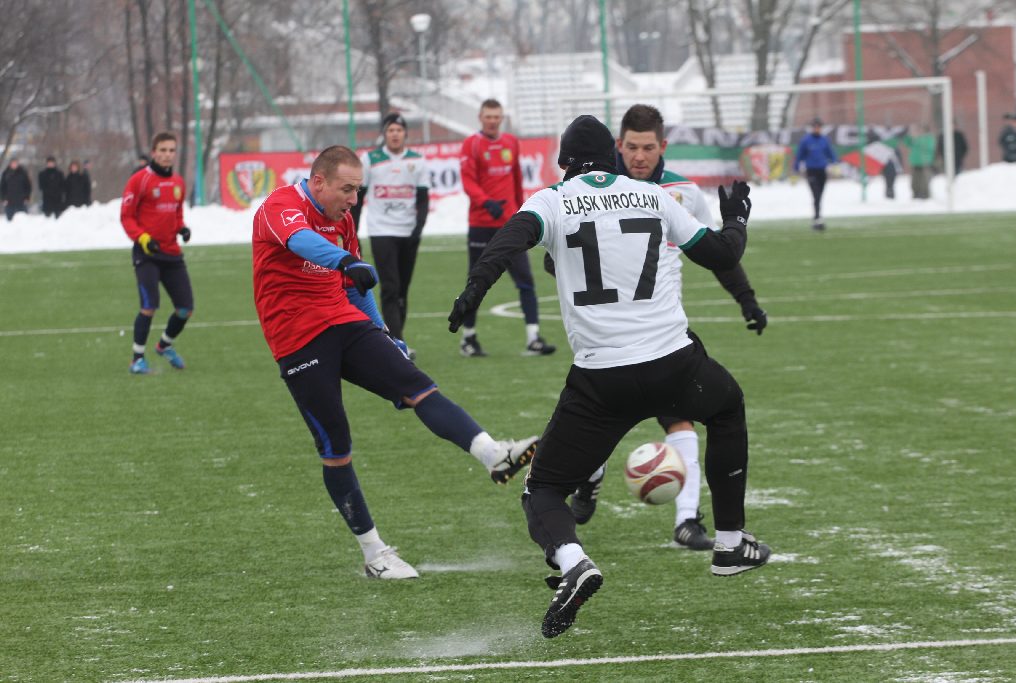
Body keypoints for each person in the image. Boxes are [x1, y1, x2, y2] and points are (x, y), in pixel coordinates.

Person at [447, 115, 771, 638]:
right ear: (616, 154)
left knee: (543, 491)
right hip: (674, 362)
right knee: (726, 408)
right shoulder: (653, 196)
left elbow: (508, 242)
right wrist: (736, 219)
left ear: (563, 162)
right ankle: (730, 542)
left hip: (602, 380)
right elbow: (722, 253)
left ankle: (574, 561)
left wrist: (473, 290)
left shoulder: (553, 199)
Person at [252, 144, 539, 580]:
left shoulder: (343, 220)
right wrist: (346, 259)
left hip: (346, 324)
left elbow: (357, 285)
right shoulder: (281, 206)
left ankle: (493, 454)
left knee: (418, 385)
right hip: (298, 339)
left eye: (357, 190)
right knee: (336, 448)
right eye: (346, 189)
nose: (352, 200)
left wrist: (387, 335)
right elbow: (301, 242)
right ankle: (374, 553)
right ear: (318, 182)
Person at [567, 104, 768, 552]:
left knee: (684, 419)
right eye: (632, 147)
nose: (640, 157)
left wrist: (747, 300)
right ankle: (590, 477)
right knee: (601, 424)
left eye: (649, 148)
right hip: (606, 336)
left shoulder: (682, 193)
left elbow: (713, 251)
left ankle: (687, 519)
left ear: (663, 148)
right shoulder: (585, 189)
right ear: (618, 146)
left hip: (662, 333)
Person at [457, 98, 555, 357]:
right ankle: (468, 339)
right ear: (480, 117)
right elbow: (468, 182)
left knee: (525, 281)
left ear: (502, 118)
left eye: (496, 116)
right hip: (480, 225)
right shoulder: (472, 144)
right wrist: (486, 202)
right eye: (488, 116)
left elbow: (516, 181)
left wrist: (521, 211)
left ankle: (533, 338)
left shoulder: (511, 143)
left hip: (509, 227)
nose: (492, 120)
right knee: (476, 281)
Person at [351, 112, 429, 358]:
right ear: (384, 134)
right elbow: (358, 200)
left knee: (403, 289)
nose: (395, 134)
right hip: (381, 230)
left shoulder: (418, 161)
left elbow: (423, 200)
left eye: (399, 130)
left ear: (405, 133)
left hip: (408, 232)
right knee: (390, 287)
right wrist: (353, 232)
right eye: (391, 130)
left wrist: (417, 230)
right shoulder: (370, 160)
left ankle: (398, 336)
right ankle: (397, 342)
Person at [120, 132, 194, 374]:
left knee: (185, 308)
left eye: (171, 150)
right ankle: (136, 359)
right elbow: (127, 217)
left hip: (172, 253)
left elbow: (176, 213)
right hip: (147, 255)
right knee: (149, 306)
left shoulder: (178, 182)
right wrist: (142, 238)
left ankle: (164, 345)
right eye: (162, 150)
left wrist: (181, 227)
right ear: (153, 152)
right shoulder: (139, 180)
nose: (167, 155)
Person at [793, 117, 836, 231]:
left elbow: (830, 153)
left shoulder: (824, 140)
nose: (817, 129)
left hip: (822, 170)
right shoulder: (806, 140)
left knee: (820, 195)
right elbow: (800, 155)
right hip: (811, 170)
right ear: (812, 128)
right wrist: (796, 167)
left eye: (819, 127)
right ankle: (817, 218)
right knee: (816, 194)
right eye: (815, 127)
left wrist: (835, 162)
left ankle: (817, 217)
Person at [905, 124, 936, 200]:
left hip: (925, 163)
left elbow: (929, 147)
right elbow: (907, 143)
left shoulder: (929, 138)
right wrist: (908, 135)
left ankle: (925, 196)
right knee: (914, 182)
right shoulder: (916, 138)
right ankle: (916, 195)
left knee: (924, 181)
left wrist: (918, 139)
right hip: (915, 163)